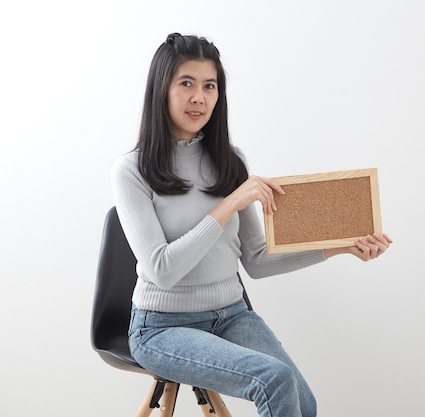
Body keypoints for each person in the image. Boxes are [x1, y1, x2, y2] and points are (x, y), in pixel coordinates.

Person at [111, 33, 393, 417]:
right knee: (272, 379)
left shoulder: (231, 161)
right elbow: (161, 270)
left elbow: (257, 261)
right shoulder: (132, 171)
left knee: (302, 402)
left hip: (230, 315)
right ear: (161, 90)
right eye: (186, 84)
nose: (200, 97)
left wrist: (341, 246)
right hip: (160, 328)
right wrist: (229, 204)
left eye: (210, 86)